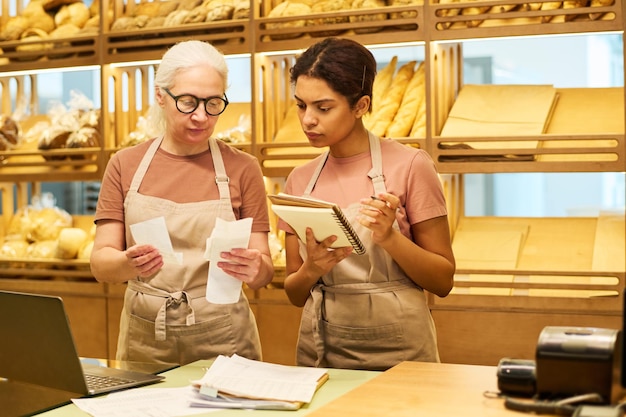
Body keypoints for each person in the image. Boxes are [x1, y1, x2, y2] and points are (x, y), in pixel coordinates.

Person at [90, 40, 274, 365]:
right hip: (145, 336)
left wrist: (256, 268)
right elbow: (101, 264)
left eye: (213, 103)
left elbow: (263, 270)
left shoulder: (243, 168)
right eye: (188, 102)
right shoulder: (124, 165)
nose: (201, 116)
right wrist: (127, 264)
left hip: (224, 336)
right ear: (161, 96)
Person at [278, 38, 456, 371]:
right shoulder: (300, 180)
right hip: (322, 351)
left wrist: (390, 238)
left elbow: (443, 281)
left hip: (402, 353)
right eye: (301, 105)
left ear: (361, 105)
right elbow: (294, 293)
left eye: (323, 107)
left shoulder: (411, 165)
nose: (307, 120)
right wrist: (312, 269)